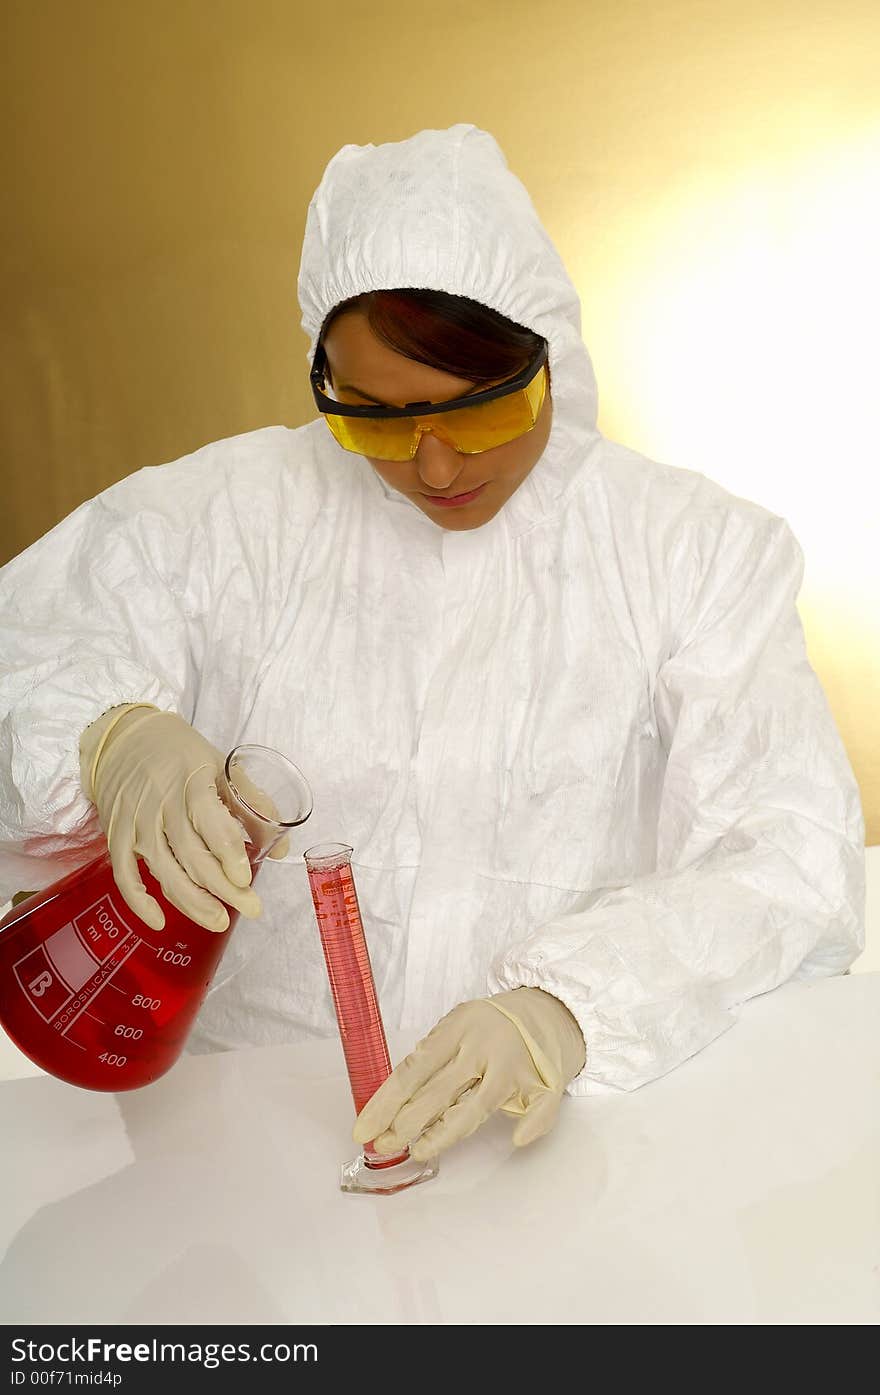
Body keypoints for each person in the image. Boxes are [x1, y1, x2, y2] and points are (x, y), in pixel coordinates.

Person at [0, 124, 865, 1165]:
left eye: (478, 411)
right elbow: (37, 647)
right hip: (235, 1156)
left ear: (546, 354)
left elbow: (784, 858)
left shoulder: (691, 550)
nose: (437, 467)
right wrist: (109, 733)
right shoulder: (217, 520)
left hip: (566, 1143)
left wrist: (563, 1010)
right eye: (373, 420)